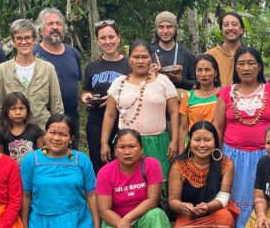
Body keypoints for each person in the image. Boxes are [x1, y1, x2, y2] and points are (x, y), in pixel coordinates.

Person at [212, 46, 270, 228]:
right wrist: (215, 156)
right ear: (235, 67)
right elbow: (217, 127)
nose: (246, 68)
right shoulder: (226, 93)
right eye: (241, 63)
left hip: (266, 157)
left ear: (259, 66)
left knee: (265, 197)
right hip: (232, 156)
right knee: (233, 194)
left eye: (251, 63)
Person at [20, 115, 102, 228]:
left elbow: (91, 194)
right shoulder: (32, 160)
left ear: (71, 139)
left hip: (77, 223)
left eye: (63, 134)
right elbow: (26, 196)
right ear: (45, 134)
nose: (56, 138)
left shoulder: (81, 160)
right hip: (43, 225)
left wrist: (97, 226)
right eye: (52, 133)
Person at [167, 121, 241, 228]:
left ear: (215, 141)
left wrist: (208, 207)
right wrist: (184, 207)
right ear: (189, 141)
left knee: (224, 216)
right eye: (197, 140)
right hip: (188, 214)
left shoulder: (226, 163)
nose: (202, 145)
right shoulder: (179, 166)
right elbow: (173, 201)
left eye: (207, 140)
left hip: (215, 211)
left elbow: (224, 196)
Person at [101, 39, 180, 177]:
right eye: (136, 57)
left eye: (144, 57)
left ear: (151, 58)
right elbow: (110, 114)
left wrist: (175, 140)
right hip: (127, 145)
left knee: (158, 182)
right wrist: (104, 143)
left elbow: (174, 112)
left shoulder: (162, 81)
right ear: (129, 59)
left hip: (158, 142)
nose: (140, 61)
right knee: (130, 182)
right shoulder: (119, 83)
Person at [96, 128, 172, 228]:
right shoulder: (105, 172)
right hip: (115, 221)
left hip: (143, 218)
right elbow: (104, 210)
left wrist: (128, 219)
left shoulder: (151, 164)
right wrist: (126, 227)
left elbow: (153, 200)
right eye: (122, 147)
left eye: (132, 146)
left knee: (158, 216)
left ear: (141, 149)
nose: (127, 151)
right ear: (115, 150)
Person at [0, 18, 64, 129]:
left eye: (27, 38)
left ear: (34, 39)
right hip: (12, 133)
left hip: (42, 131)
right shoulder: (2, 69)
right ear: (13, 41)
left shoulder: (48, 68)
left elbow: (57, 105)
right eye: (19, 38)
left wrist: (57, 130)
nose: (24, 42)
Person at [80, 19, 131, 171]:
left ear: (118, 38)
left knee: (123, 162)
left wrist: (113, 100)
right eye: (103, 38)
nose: (107, 41)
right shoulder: (92, 66)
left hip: (122, 121)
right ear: (97, 41)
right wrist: (86, 96)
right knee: (99, 162)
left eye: (111, 37)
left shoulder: (129, 64)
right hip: (96, 120)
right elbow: (86, 89)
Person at [34, 7, 83, 134]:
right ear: (40, 30)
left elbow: (76, 83)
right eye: (50, 24)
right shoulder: (33, 55)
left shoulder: (73, 53)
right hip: (43, 122)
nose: (55, 27)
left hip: (71, 120)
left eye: (59, 23)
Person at [175, 54, 221, 154]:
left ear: (216, 73)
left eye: (207, 70)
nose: (203, 74)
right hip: (194, 148)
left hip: (217, 146)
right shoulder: (188, 96)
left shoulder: (223, 94)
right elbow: (183, 128)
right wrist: (182, 153)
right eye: (199, 70)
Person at [151, 11, 196, 90]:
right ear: (156, 29)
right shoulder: (148, 52)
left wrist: (180, 80)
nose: (165, 31)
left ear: (175, 29)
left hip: (180, 97)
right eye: (161, 27)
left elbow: (196, 85)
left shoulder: (186, 54)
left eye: (169, 27)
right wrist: (150, 75)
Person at [0, 92, 45, 161]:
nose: (18, 112)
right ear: (6, 111)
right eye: (13, 109)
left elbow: (41, 155)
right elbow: (0, 157)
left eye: (21, 108)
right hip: (11, 168)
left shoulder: (35, 129)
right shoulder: (1, 132)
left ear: (27, 110)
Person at [207, 11, 246, 88]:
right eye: (226, 25)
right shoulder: (210, 55)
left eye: (234, 24)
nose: (230, 28)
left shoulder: (250, 56)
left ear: (241, 30)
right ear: (221, 30)